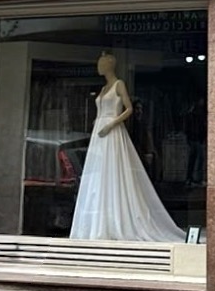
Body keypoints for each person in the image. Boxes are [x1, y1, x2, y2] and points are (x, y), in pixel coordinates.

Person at [69, 52, 185, 242]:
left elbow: (129, 108)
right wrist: (97, 122)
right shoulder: (104, 88)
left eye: (101, 63)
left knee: (114, 170)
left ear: (109, 65)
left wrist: (111, 124)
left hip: (112, 130)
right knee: (98, 173)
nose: (98, 67)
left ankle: (118, 220)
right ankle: (97, 224)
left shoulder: (119, 84)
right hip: (99, 132)